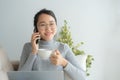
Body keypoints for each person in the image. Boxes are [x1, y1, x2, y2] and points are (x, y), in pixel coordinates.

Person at [18, 8, 86, 80]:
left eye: (51, 24)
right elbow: (19, 77)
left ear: (56, 26)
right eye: (42, 24)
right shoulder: (28, 47)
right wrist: (34, 52)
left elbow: (83, 77)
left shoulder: (63, 48)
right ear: (36, 28)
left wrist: (64, 63)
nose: (48, 28)